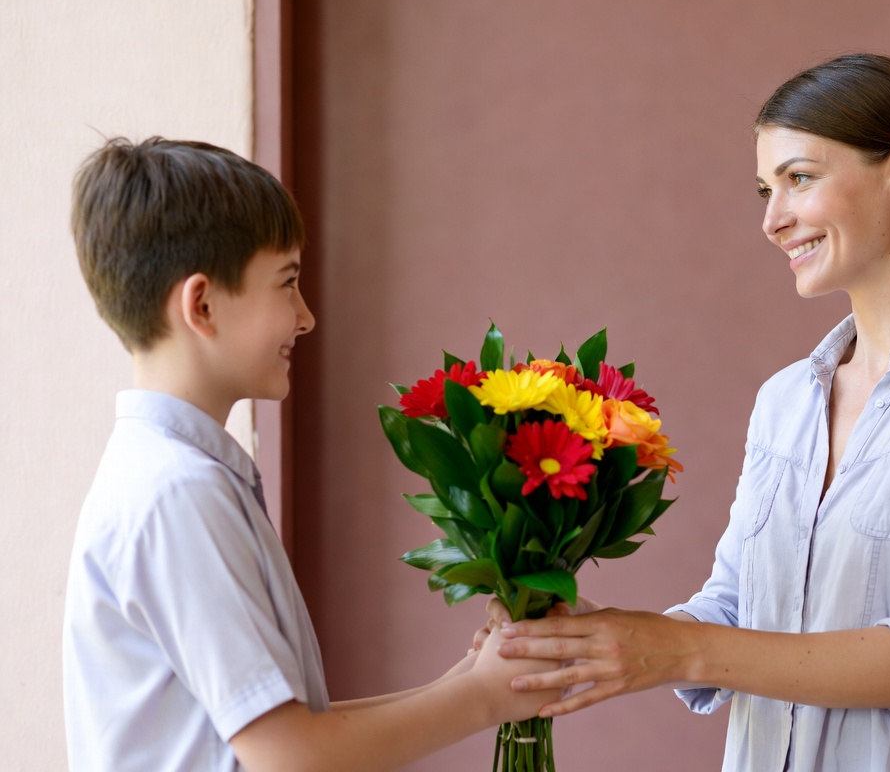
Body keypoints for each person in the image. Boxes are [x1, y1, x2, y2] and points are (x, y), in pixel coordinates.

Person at [485, 53, 890, 771]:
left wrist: (672, 650)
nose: (772, 220)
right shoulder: (786, 401)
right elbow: (735, 608)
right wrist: (590, 637)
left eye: (799, 179)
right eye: (766, 190)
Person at [62, 137, 556, 771]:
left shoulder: (172, 476)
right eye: (288, 283)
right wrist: (484, 697)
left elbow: (293, 730)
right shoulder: (178, 493)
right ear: (202, 305)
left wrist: (472, 679)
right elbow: (291, 756)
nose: (306, 317)